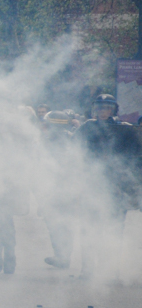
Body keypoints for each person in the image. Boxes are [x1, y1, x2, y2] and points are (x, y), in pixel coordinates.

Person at [75, 94, 141, 277]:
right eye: (100, 107)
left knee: (114, 228)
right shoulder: (87, 128)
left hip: (116, 185)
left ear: (113, 110)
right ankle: (87, 268)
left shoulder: (125, 130)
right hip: (92, 184)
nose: (103, 111)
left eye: (107, 108)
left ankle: (110, 268)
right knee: (88, 227)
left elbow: (134, 157)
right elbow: (74, 152)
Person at [38, 110, 77, 269]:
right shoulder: (71, 138)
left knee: (57, 224)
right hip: (63, 188)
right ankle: (63, 255)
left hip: (59, 189)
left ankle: (63, 256)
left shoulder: (48, 141)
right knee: (61, 224)